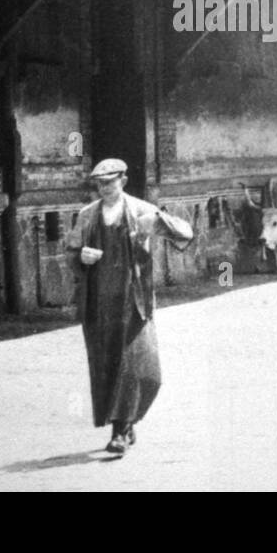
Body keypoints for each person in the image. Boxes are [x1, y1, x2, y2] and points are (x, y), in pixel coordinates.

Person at [65, 158, 194, 456]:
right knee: (106, 366)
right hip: (98, 304)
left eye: (110, 182)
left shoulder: (141, 210)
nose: (105, 189)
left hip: (133, 303)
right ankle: (125, 423)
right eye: (99, 184)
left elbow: (185, 233)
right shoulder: (87, 216)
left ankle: (120, 432)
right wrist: (79, 256)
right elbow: (71, 252)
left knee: (137, 368)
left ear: (123, 181)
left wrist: (159, 221)